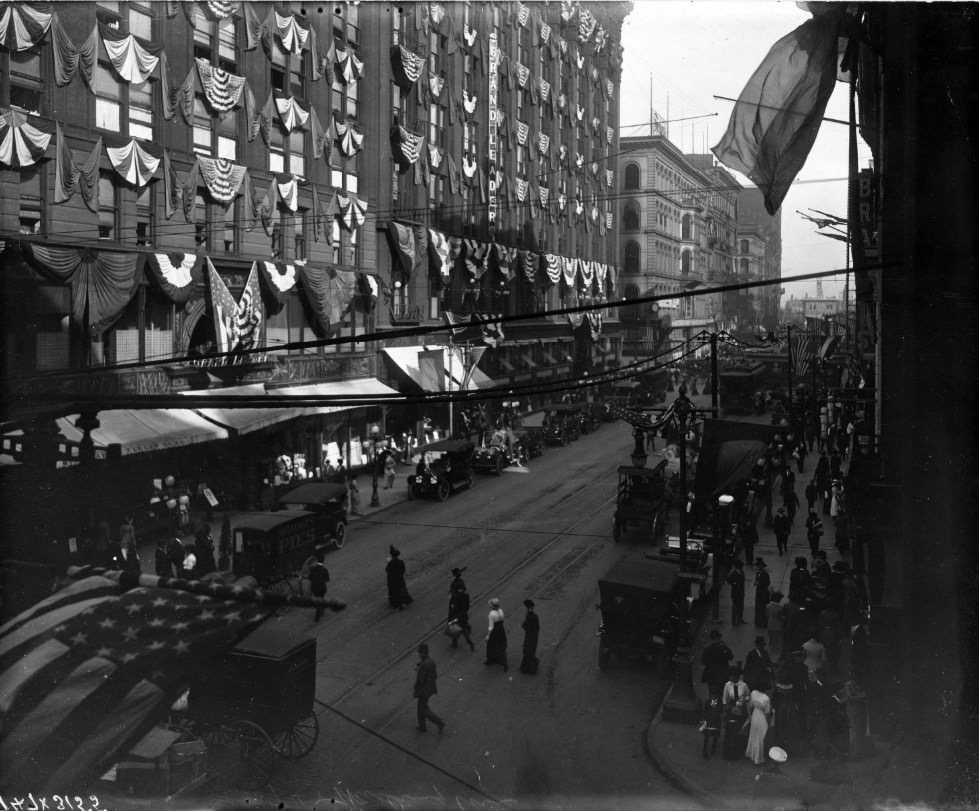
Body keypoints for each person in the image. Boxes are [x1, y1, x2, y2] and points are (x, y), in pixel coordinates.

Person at [413, 644, 445, 734]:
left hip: (424, 690)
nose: (419, 654)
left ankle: (439, 722)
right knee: (421, 707)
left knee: (423, 709)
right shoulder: (429, 661)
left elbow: (421, 680)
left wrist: (416, 690)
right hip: (429, 689)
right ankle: (422, 726)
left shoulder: (425, 664)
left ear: (424, 653)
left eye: (420, 653)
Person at [722, 664, 750, 761]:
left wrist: (743, 700)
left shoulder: (744, 686)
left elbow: (748, 696)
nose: (731, 678)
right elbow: (725, 699)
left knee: (737, 731)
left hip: (740, 710)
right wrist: (725, 712)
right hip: (730, 710)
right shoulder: (727, 685)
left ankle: (736, 753)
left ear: (737, 676)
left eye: (733, 676)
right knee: (729, 731)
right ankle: (727, 753)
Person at [745, 683, 773, 766]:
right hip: (762, 718)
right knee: (760, 738)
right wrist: (769, 723)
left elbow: (750, 706)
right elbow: (767, 713)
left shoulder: (753, 693)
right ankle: (758, 759)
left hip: (755, 715)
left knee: (754, 735)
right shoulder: (766, 698)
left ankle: (752, 754)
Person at [700, 629, 734, 694]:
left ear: (711, 638)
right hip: (722, 675)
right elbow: (731, 657)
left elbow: (703, 661)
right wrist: (726, 646)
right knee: (722, 692)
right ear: (718, 638)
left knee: (713, 693)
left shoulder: (707, 648)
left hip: (711, 676)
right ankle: (721, 703)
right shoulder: (723, 647)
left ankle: (713, 703)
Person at [447, 584, 475, 652]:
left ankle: (455, 643)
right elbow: (467, 606)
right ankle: (470, 644)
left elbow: (453, 608)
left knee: (455, 630)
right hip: (463, 616)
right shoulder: (466, 595)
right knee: (463, 631)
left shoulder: (454, 596)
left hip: (456, 617)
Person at [484, 597, 508, 671]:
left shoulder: (492, 614)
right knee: (501, 645)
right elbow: (503, 620)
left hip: (494, 632)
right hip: (501, 630)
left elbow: (491, 627)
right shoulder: (501, 611)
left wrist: (488, 635)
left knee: (490, 646)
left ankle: (490, 660)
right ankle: (504, 662)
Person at [519, 599, 540, 674]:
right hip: (533, 637)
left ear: (529, 608)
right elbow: (537, 627)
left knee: (528, 652)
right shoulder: (535, 616)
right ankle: (528, 668)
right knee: (530, 652)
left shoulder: (530, 617)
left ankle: (529, 669)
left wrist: (525, 621)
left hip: (530, 638)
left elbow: (525, 627)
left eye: (526, 608)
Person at [701, 690, 723, 759]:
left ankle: (713, 748)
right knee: (707, 736)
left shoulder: (719, 702)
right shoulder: (707, 701)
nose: (714, 697)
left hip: (716, 721)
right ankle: (705, 751)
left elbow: (721, 711)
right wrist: (705, 720)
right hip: (709, 721)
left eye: (715, 696)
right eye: (712, 695)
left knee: (715, 735)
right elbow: (705, 711)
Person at [309, 552, 330, 621]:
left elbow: (309, 577)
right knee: (321, 598)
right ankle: (321, 610)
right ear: (323, 561)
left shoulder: (312, 569)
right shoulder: (324, 570)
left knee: (317, 598)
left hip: (314, 588)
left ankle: (318, 608)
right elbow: (327, 579)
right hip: (322, 588)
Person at [766, 591, 786, 662]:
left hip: (770, 625)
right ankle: (775, 658)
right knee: (777, 642)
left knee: (771, 642)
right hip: (777, 627)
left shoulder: (768, 606)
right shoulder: (779, 608)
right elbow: (781, 618)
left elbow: (767, 616)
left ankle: (771, 655)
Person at [726, 559, 746, 626]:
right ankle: (734, 622)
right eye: (740, 566)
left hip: (741, 592)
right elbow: (728, 579)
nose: (742, 567)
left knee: (741, 606)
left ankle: (740, 619)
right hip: (735, 593)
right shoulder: (733, 572)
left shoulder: (741, 572)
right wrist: (734, 584)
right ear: (737, 566)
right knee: (735, 607)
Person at [753, 558, 771, 628]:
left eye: (760, 566)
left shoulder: (765, 574)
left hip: (763, 592)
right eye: (758, 566)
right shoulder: (758, 574)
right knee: (758, 607)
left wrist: (760, 583)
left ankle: (763, 622)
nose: (758, 567)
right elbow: (756, 581)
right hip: (759, 592)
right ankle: (758, 621)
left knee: (763, 608)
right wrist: (756, 583)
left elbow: (768, 583)